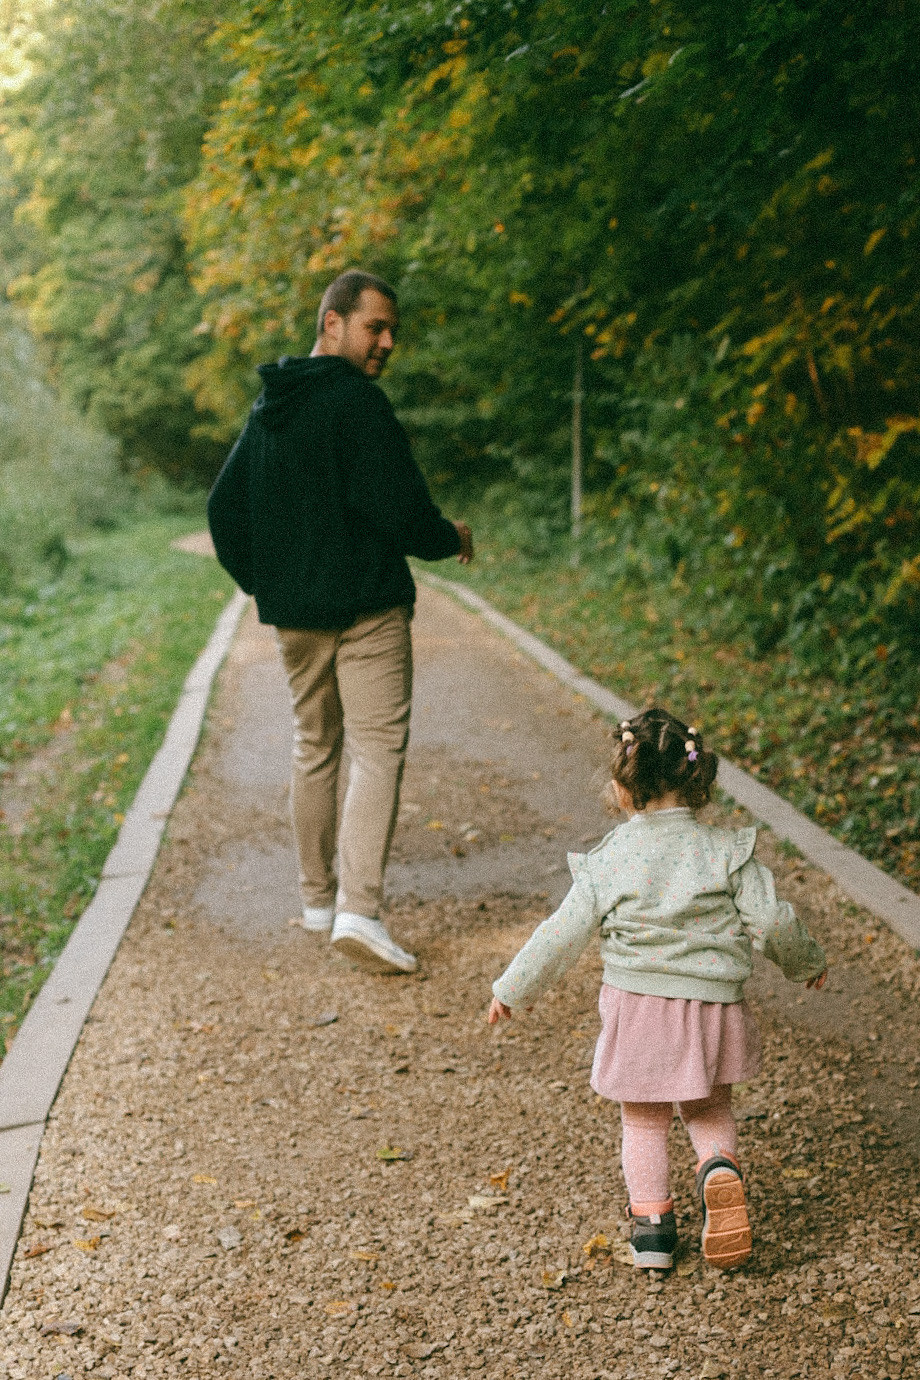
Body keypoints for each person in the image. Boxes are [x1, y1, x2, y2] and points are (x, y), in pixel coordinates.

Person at [488, 707, 827, 1271]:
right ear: (697, 780)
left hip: (638, 1007)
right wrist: (805, 962)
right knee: (708, 1103)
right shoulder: (725, 852)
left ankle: (653, 1234)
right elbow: (772, 920)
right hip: (714, 1007)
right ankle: (718, 1167)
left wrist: (513, 988)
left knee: (643, 1118)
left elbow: (561, 934)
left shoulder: (610, 860)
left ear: (623, 788)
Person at [208, 268, 473, 975]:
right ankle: (359, 911)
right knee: (377, 751)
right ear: (333, 323)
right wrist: (450, 537)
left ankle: (318, 901)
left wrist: (270, 587)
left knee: (314, 745)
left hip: (296, 618)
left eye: (392, 331)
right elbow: (400, 509)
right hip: (366, 611)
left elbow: (223, 512)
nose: (386, 342)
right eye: (373, 327)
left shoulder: (274, 404)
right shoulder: (359, 405)